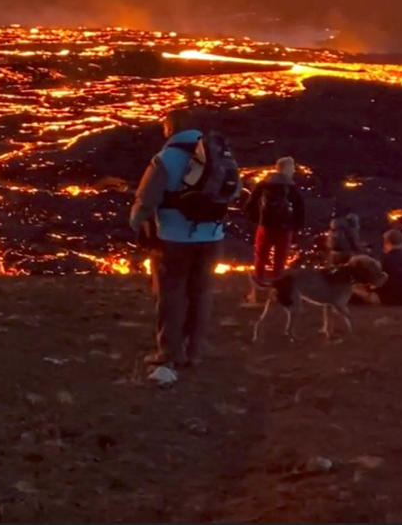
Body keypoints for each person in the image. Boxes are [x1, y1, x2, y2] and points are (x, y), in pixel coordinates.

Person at [129, 110, 237, 368]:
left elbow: (146, 201)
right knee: (201, 293)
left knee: (171, 295)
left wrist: (138, 225)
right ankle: (195, 352)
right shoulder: (222, 156)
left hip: (173, 238)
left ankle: (170, 352)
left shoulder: (166, 158)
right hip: (212, 236)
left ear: (170, 128)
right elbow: (232, 191)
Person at [244, 156, 306, 287]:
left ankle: (259, 280)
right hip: (285, 227)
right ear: (287, 169)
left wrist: (258, 220)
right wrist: (296, 226)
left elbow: (250, 204)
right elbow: (300, 208)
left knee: (261, 254)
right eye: (292, 168)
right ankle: (278, 283)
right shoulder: (292, 187)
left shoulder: (264, 184)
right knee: (280, 258)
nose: (293, 171)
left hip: (265, 226)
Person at [358, 229, 402, 305]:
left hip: (389, 299)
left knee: (355, 289)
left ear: (387, 242)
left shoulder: (386, 260)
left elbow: (378, 283)